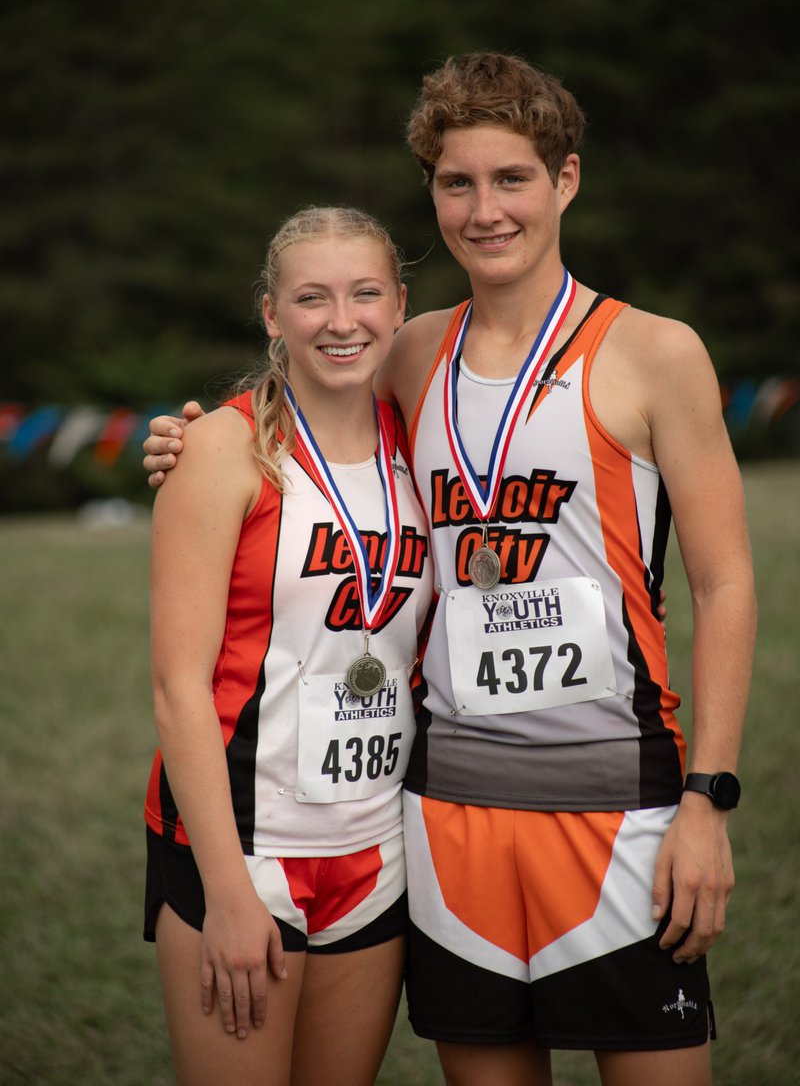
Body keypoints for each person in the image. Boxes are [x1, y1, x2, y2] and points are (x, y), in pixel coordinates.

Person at [144, 53, 756, 1086]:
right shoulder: (411, 350)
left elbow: (726, 584)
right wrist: (187, 439)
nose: (484, 210)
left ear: (564, 180)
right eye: (456, 184)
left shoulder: (655, 353)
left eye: (511, 178)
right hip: (446, 810)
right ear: (430, 193)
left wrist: (707, 800)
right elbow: (306, 380)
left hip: (622, 800)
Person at [143, 205, 433, 1086]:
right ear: (273, 314)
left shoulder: (424, 438)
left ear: (399, 303)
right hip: (243, 846)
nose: (341, 321)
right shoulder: (224, 450)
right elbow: (178, 690)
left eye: (365, 294)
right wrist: (229, 896)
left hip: (375, 843)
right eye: (312, 298)